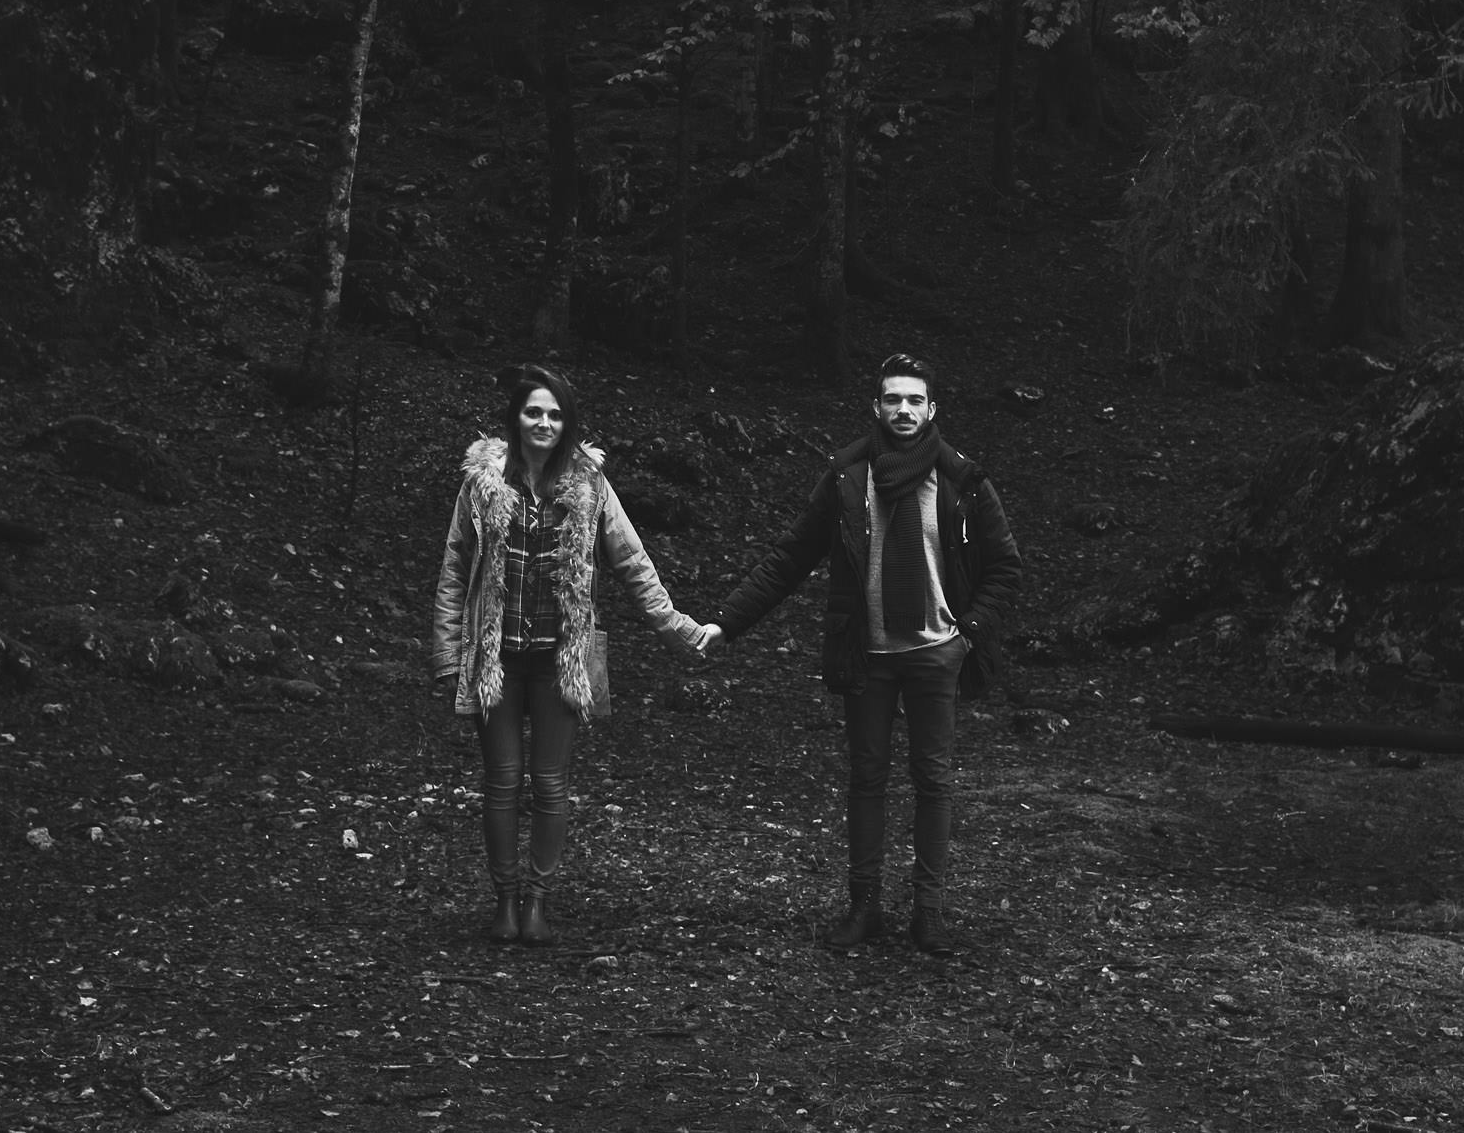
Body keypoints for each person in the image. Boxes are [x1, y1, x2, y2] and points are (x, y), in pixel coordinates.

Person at [694, 353, 1024, 954]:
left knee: (934, 783)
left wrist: (968, 630)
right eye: (892, 399)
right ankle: (864, 906)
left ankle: (928, 911)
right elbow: (791, 557)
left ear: (931, 410)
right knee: (867, 780)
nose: (903, 409)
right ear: (876, 407)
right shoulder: (849, 475)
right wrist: (726, 622)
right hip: (867, 654)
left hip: (935, 653)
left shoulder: (961, 480)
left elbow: (1005, 565)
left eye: (914, 400)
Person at [430, 364, 707, 946]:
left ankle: (537, 903)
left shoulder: (588, 484)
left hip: (562, 656)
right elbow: (455, 567)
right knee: (502, 781)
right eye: (534, 411)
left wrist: (678, 629)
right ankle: (505, 902)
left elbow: (632, 562)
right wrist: (448, 655)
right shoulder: (481, 484)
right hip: (494, 656)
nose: (544, 423)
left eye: (556, 414)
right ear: (516, 418)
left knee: (550, 784)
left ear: (568, 424)